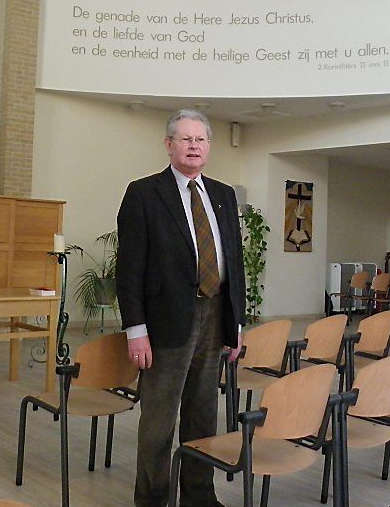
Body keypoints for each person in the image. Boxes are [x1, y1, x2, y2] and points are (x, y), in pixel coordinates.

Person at [117, 109, 246, 507]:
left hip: (213, 315)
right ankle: (153, 499)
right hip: (165, 322)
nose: (194, 146)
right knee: (159, 421)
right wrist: (136, 329)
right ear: (169, 144)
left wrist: (235, 325)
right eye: (185, 139)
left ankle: (198, 496)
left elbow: (234, 263)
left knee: (203, 414)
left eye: (201, 139)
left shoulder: (223, 195)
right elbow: (130, 267)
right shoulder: (144, 193)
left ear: (209, 146)